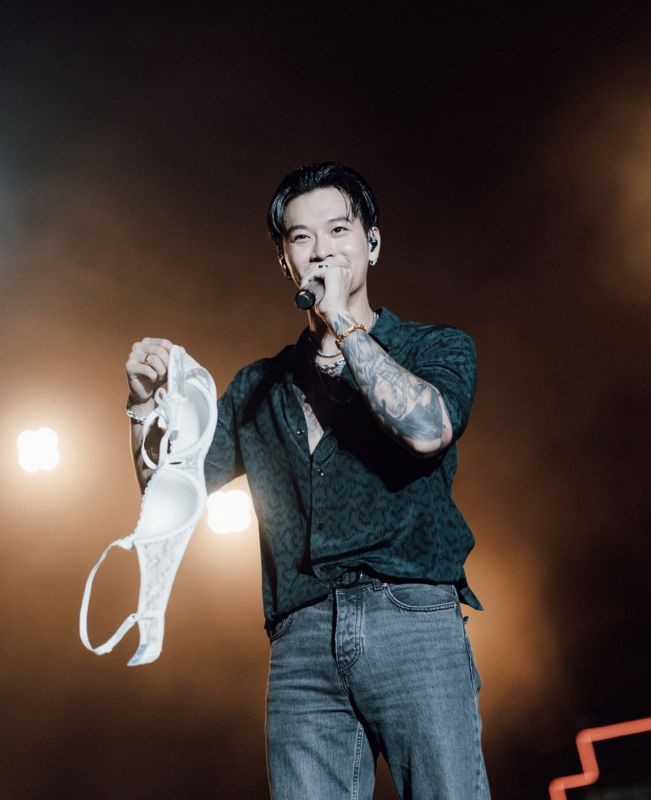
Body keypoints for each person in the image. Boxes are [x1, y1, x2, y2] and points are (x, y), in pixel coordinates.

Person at [125, 162, 490, 800]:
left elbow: (427, 430)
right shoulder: (256, 386)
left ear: (372, 243)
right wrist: (142, 408)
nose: (320, 250)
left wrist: (341, 321)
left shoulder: (435, 348)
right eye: (300, 237)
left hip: (413, 621)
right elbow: (167, 496)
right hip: (300, 642)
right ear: (285, 262)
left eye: (338, 230)